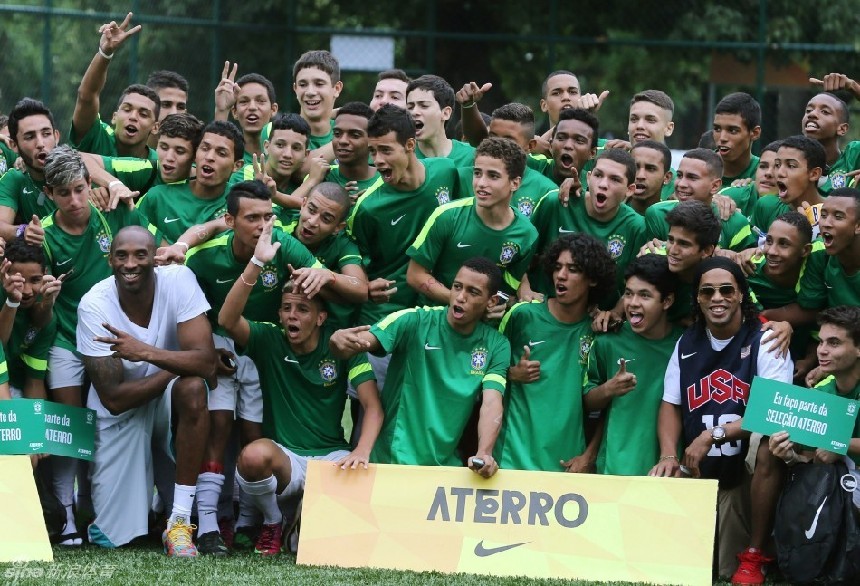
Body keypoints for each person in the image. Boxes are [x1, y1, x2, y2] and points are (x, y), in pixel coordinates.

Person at [217, 216, 382, 555]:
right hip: (286, 462)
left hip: (331, 459)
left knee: (356, 511)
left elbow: (373, 406)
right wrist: (256, 262)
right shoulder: (268, 340)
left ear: (320, 317)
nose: (293, 316)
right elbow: (226, 320)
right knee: (252, 456)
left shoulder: (340, 345)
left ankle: (303, 520)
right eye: (287, 309)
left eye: (303, 310)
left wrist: (361, 452)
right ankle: (274, 521)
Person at [183, 180, 327, 554]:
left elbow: (323, 280)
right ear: (229, 220)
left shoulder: (282, 244)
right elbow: (184, 306)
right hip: (220, 348)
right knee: (216, 432)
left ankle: (250, 520)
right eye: (252, 218)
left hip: (264, 347)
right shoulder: (203, 257)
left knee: (253, 437)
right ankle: (210, 525)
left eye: (268, 216)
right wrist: (204, 348)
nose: (264, 226)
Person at [39, 145, 163, 546]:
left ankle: (105, 506)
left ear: (88, 183)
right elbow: (38, 309)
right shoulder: (45, 236)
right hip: (65, 340)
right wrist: (44, 298)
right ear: (49, 193)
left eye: (79, 189)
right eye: (63, 193)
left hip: (116, 339)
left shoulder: (113, 212)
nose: (74, 200)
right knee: (72, 427)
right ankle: (69, 516)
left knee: (122, 422)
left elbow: (153, 250)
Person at [649, 257, 793, 582]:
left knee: (770, 443)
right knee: (679, 561)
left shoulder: (766, 339)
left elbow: (773, 413)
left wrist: (710, 435)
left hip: (745, 473)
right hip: (699, 469)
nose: (717, 298)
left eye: (727, 290)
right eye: (707, 292)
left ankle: (755, 553)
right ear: (697, 299)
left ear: (741, 294)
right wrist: (668, 454)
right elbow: (670, 405)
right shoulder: (686, 343)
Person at [77, 226, 216, 556]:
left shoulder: (179, 279)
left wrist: (146, 352)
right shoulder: (94, 305)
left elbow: (207, 366)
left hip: (170, 401)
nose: (131, 263)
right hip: (124, 409)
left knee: (194, 389)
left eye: (141, 254)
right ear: (109, 259)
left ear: (155, 258)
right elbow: (113, 399)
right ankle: (150, 505)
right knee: (114, 536)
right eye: (121, 255)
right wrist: (177, 365)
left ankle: (179, 523)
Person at [496, 233, 614, 471]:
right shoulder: (522, 315)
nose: (561, 275)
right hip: (511, 458)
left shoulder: (597, 332)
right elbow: (481, 372)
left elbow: (608, 408)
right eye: (558, 267)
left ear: (592, 278)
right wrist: (511, 373)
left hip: (566, 463)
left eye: (573, 269)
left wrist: (589, 456)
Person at [347, 104, 459, 331]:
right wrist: (366, 286)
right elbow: (352, 259)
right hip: (384, 319)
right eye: (372, 151)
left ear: (410, 145)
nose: (377, 160)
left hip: (438, 315)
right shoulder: (368, 208)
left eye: (386, 150)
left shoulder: (446, 171)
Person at [406, 137, 537, 308]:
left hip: (482, 327)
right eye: (477, 173)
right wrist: (462, 303)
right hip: (434, 319)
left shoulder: (527, 235)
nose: (481, 183)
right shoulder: (446, 216)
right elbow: (415, 275)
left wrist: (498, 306)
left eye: (493, 176)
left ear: (515, 183)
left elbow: (506, 290)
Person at [584, 255, 683, 475]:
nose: (633, 303)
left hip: (669, 471)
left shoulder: (685, 344)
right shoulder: (607, 341)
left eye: (645, 295)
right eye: (628, 293)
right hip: (614, 468)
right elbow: (586, 402)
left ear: (667, 301)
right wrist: (609, 389)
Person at [769, 306, 860, 507]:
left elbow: (834, 446)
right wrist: (789, 457)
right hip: (842, 494)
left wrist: (838, 445)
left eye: (834, 343)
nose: (822, 350)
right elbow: (814, 461)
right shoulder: (819, 395)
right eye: (821, 342)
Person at [527, 149, 645, 302]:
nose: (603, 184)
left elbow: (635, 283)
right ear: (588, 178)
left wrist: (615, 311)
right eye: (598, 175)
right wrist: (523, 287)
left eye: (615, 179)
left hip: (596, 320)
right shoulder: (556, 202)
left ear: (630, 190)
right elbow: (524, 253)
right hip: (544, 307)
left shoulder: (636, 226)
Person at [70, 13, 159, 163]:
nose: (133, 117)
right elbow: (86, 97)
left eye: (143, 114)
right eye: (127, 109)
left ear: (155, 127)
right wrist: (105, 53)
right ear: (114, 117)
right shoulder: (97, 137)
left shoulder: (161, 166)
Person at [136, 120, 244, 243]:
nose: (209, 157)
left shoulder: (242, 202)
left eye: (221, 153)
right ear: (195, 154)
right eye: (205, 148)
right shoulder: (156, 197)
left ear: (237, 165)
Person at [455, 102, 557, 217]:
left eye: (508, 140)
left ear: (530, 146)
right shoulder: (461, 178)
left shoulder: (546, 191)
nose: (497, 145)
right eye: (493, 137)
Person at [645, 148, 757, 252]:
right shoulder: (657, 213)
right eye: (679, 175)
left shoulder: (735, 222)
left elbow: (747, 266)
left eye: (692, 177)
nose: (681, 184)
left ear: (714, 186)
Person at [0, 99, 61, 242]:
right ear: (14, 145)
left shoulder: (81, 169)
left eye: (46, 134)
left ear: (56, 136)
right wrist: (23, 231)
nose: (40, 144)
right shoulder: (15, 178)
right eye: (30, 137)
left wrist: (112, 184)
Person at [804, 73, 860, 194]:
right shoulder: (790, 160)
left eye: (824, 111)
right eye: (808, 110)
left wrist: (854, 87)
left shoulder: (854, 157)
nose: (812, 114)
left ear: (842, 129)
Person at [407, 74, 476, 167]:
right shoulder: (401, 158)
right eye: (410, 107)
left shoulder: (471, 157)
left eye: (424, 106)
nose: (414, 112)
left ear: (446, 113)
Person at [214, 66, 278, 165]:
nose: (252, 107)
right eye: (244, 101)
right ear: (235, 112)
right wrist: (222, 110)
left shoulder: (285, 157)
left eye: (260, 101)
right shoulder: (230, 160)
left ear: (273, 110)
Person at [718, 140, 780, 220]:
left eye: (777, 167)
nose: (768, 173)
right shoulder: (733, 196)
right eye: (763, 166)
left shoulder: (795, 207)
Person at [713, 92, 762, 186]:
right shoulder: (697, 169)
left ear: (755, 133)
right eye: (717, 129)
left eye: (733, 131)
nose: (722, 138)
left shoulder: (766, 175)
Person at [145, 70, 189, 149]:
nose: (174, 113)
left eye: (180, 107)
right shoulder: (119, 153)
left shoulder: (194, 156)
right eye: (166, 105)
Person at [628, 140, 673, 216]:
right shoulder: (610, 212)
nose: (640, 176)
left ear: (667, 177)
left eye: (650, 168)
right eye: (635, 167)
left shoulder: (673, 219)